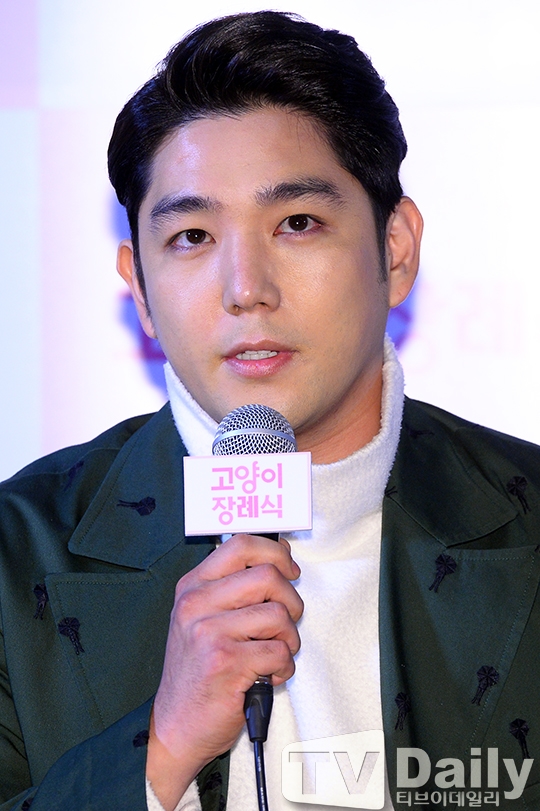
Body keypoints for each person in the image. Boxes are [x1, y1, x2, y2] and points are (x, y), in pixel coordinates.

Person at [0, 10, 539, 811]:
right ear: (138, 286)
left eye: (297, 223)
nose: (246, 288)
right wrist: (161, 751)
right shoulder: (18, 552)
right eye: (192, 236)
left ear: (396, 249)